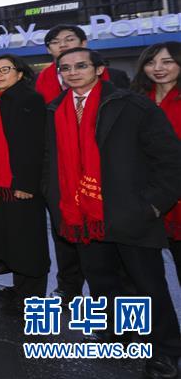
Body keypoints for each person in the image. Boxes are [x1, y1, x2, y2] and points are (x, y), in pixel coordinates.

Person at [45, 47, 181, 378]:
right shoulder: (55, 110)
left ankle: (165, 351)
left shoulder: (130, 105)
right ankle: (116, 335)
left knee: (147, 285)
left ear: (99, 69)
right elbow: (50, 164)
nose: (73, 72)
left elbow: (169, 159)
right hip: (83, 216)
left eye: (81, 66)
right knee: (102, 281)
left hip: (129, 213)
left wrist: (151, 204)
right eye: (66, 68)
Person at [34, 24, 129, 303]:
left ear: (85, 43)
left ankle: (119, 307)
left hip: (106, 177)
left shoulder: (117, 81)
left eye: (69, 39)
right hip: (63, 175)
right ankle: (68, 286)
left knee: (113, 251)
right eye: (55, 42)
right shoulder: (42, 83)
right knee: (65, 236)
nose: (62, 45)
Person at [0, 55, 49, 316]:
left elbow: (33, 145)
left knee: (28, 242)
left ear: (19, 74)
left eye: (5, 69)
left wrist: (26, 183)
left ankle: (33, 298)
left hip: (20, 185)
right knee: (11, 239)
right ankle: (19, 289)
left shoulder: (29, 100)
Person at [132, 41, 181, 285]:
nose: (158, 68)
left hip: (176, 193)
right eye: (151, 62)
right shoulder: (136, 100)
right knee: (147, 278)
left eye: (167, 61)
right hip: (146, 198)